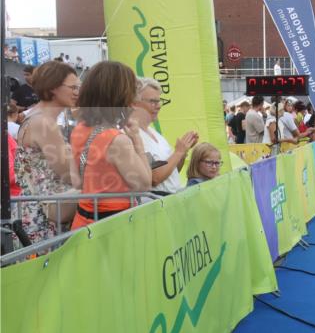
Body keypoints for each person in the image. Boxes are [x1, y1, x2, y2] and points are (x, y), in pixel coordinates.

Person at [70, 61, 151, 230]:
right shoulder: (116, 140)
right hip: (112, 229)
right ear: (119, 94)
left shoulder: (80, 129)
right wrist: (137, 141)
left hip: (84, 223)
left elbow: (78, 181)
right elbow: (144, 184)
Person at [14, 61, 79, 240]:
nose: (77, 92)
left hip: (35, 213)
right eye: (73, 87)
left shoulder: (35, 118)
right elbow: (68, 173)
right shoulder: (44, 123)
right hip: (45, 221)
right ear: (53, 88)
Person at [133, 78, 198, 196]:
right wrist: (178, 152)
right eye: (153, 101)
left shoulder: (155, 135)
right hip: (155, 202)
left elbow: (173, 172)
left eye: (159, 101)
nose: (158, 106)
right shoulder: (132, 135)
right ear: (134, 103)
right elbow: (155, 178)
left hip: (169, 200)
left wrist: (183, 152)